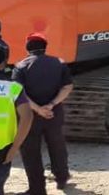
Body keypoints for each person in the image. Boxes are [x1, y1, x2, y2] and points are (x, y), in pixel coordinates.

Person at [12, 34, 73, 195]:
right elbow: (67, 87)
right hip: (54, 113)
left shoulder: (20, 66)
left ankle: (37, 188)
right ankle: (61, 178)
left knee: (30, 151)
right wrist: (51, 105)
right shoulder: (59, 63)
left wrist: (38, 109)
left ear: (27, 48)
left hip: (29, 116)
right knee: (57, 144)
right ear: (45, 47)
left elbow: (18, 92)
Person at [0, 42, 33, 195]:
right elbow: (27, 117)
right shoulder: (13, 87)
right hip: (3, 148)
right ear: (3, 63)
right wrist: (15, 147)